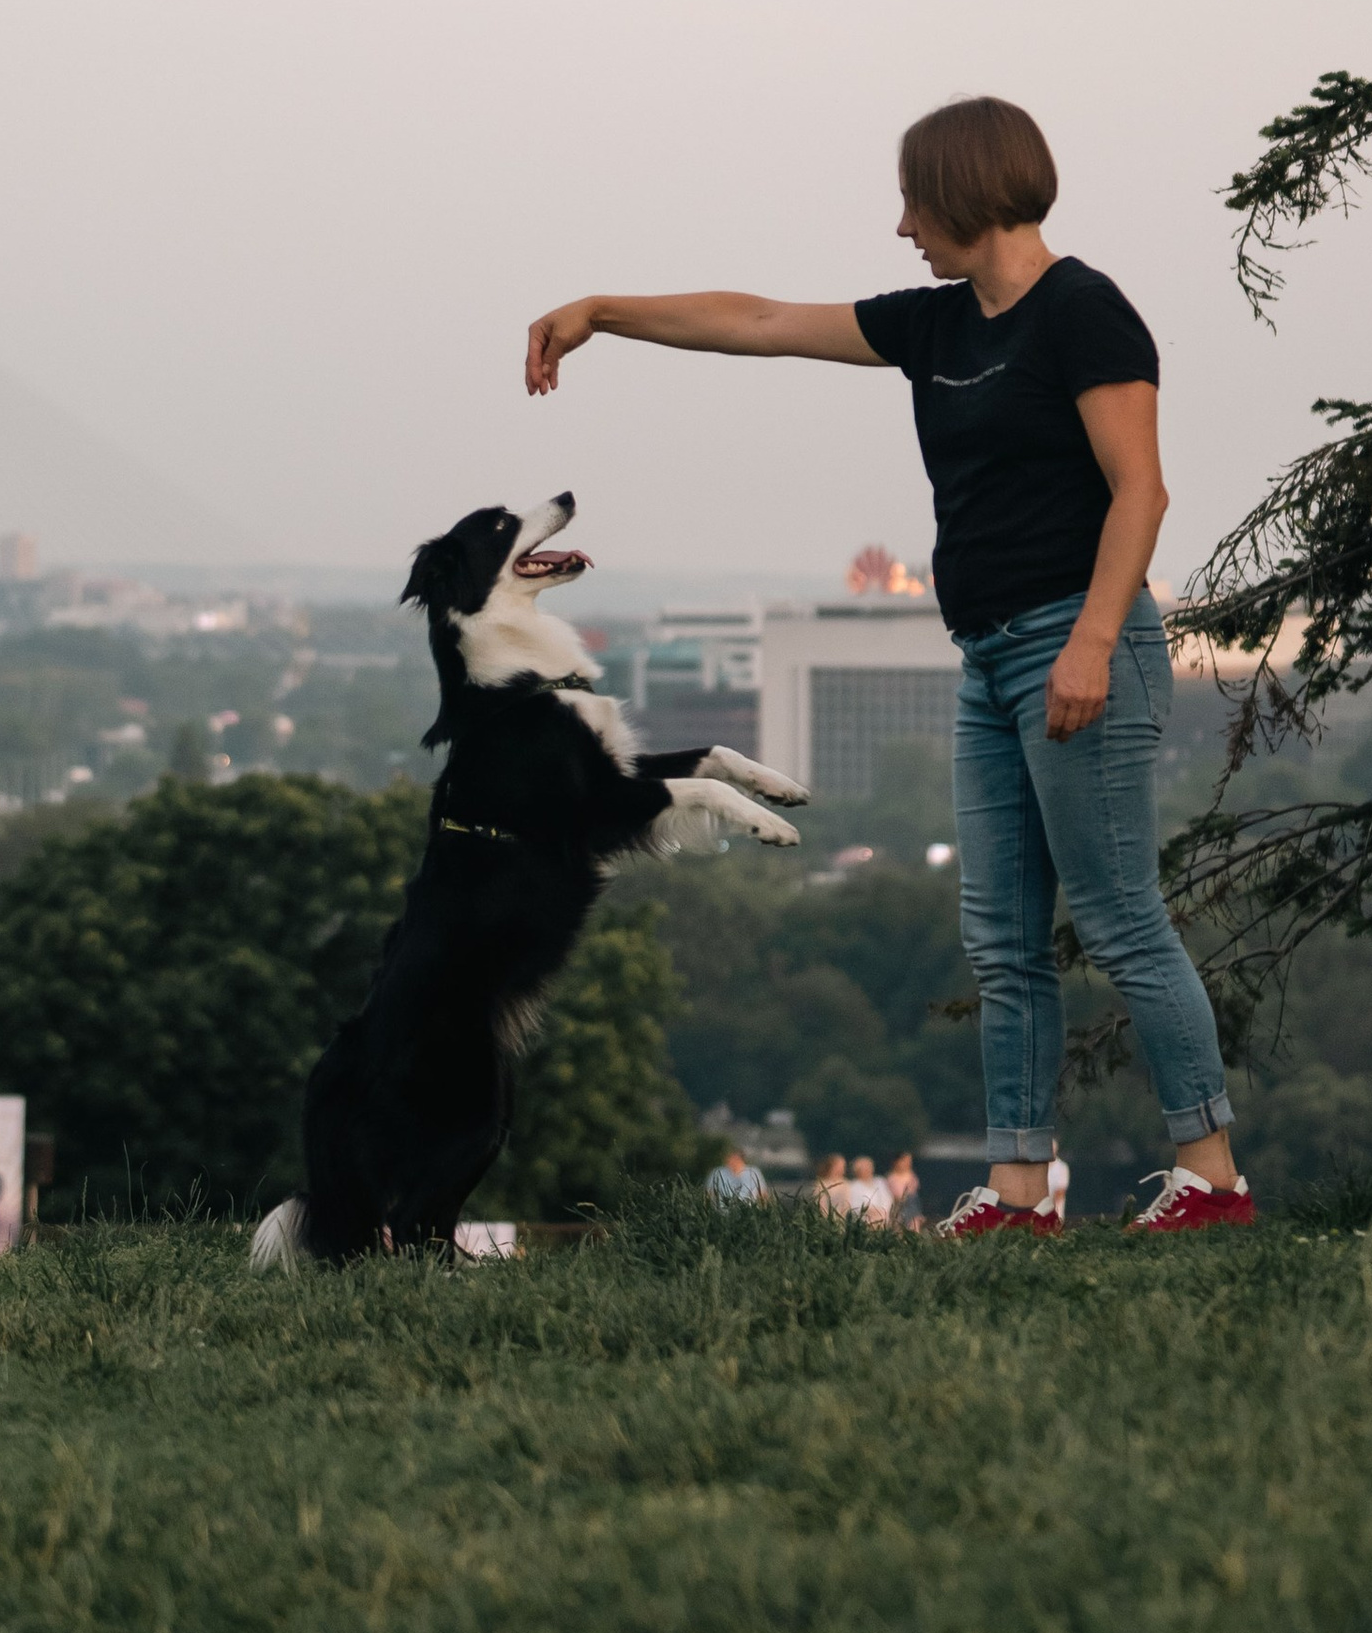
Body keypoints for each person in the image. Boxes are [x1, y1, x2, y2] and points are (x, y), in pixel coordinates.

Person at [526, 93, 1251, 1238]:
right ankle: (1018, 1196)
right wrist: (605, 312)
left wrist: (1093, 646)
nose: (902, 225)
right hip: (987, 661)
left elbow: (1140, 491)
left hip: (1080, 650)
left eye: (914, 199)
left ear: (964, 190)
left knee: (1117, 921)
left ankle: (1211, 1179)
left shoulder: (1086, 314)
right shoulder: (938, 325)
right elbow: (759, 320)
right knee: (1001, 941)